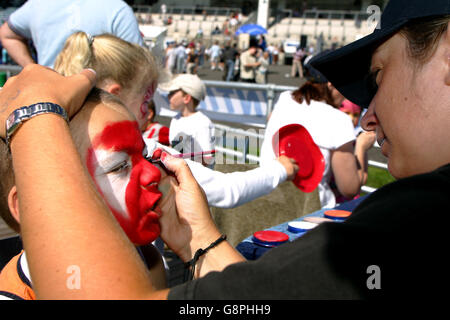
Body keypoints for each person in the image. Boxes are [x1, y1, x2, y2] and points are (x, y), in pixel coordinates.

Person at [4, 0, 450, 299]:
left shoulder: (419, 219)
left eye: (376, 76)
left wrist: (35, 118)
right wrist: (198, 240)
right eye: (123, 162)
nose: (367, 116)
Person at [54, 31, 299, 210]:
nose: (150, 109)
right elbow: (225, 190)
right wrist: (279, 169)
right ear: (115, 96)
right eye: (147, 97)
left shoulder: (51, 140)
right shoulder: (144, 151)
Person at [0, 89, 171, 299]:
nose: (153, 173)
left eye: (144, 157)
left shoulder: (146, 258)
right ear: (30, 204)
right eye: (118, 166)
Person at [260, 62, 375, 208]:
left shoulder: (284, 98)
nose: (347, 95)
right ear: (331, 84)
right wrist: (361, 147)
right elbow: (349, 189)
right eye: (345, 87)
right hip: (309, 210)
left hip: (269, 199)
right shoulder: (339, 120)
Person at [0, 0, 143, 68]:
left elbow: (7, 34)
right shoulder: (117, 9)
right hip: (99, 106)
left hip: (50, 103)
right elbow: (138, 67)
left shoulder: (38, 4)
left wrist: (31, 68)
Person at [161, 74, 214, 167]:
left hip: (197, 178)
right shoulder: (176, 119)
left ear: (186, 98)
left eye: (172, 92)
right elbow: (173, 147)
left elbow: (207, 158)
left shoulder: (202, 123)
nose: (168, 96)